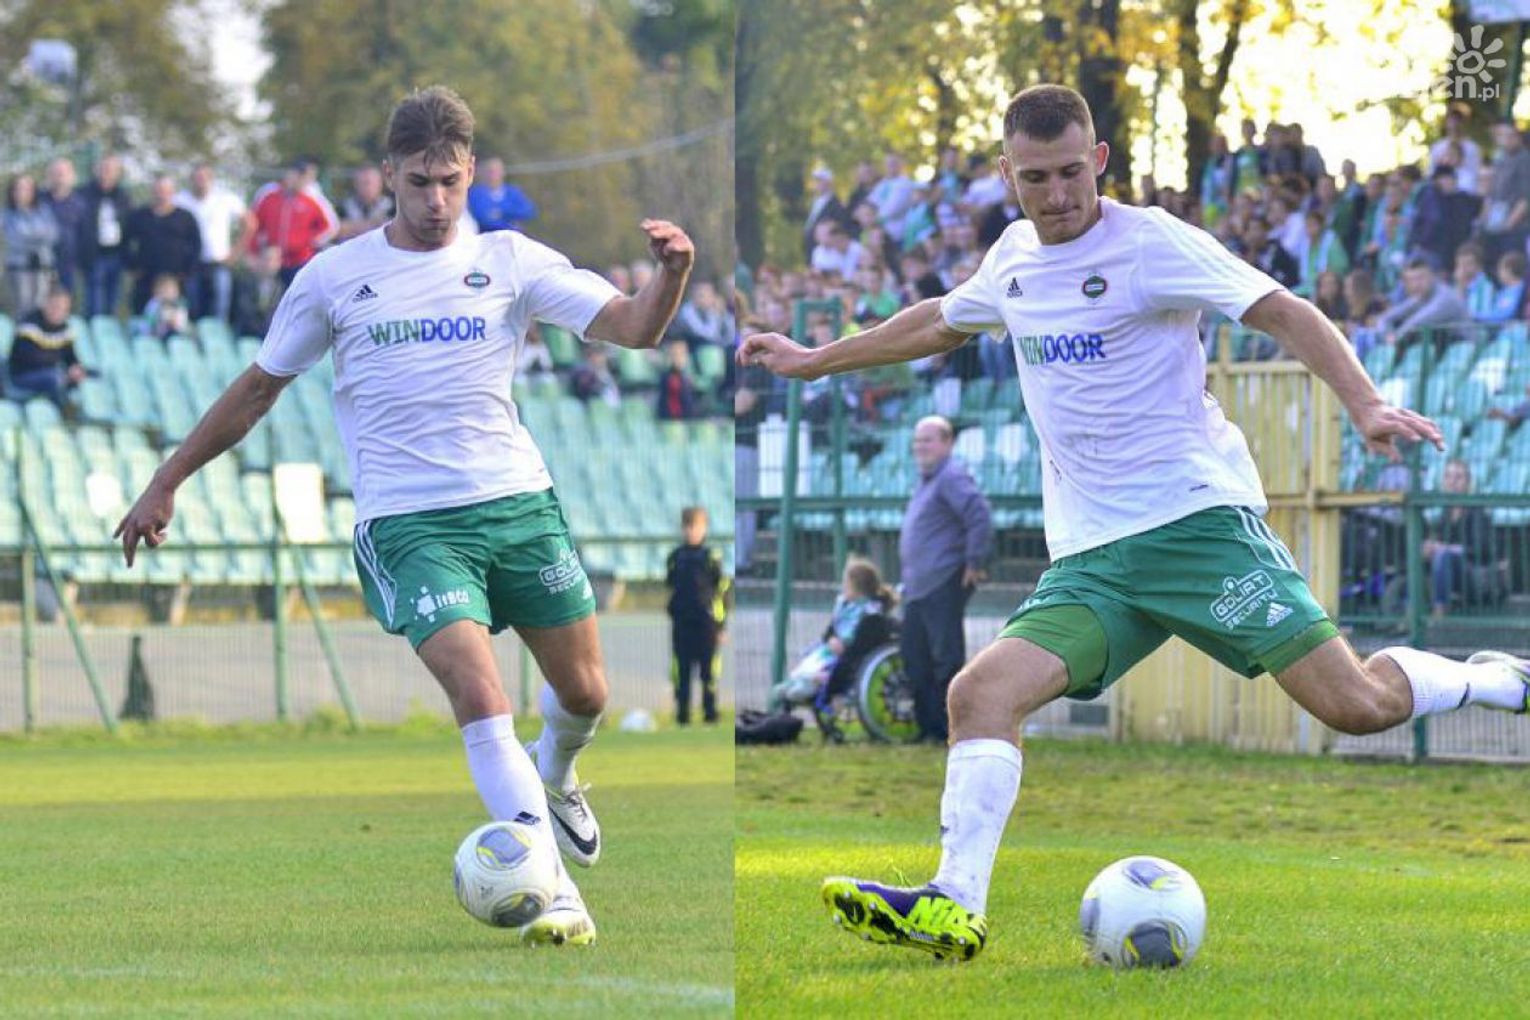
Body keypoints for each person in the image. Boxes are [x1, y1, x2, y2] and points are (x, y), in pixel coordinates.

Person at [738, 83, 1528, 963]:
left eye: (1072, 172)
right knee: (978, 695)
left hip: (1196, 528)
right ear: (1007, 174)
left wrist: (1366, 403)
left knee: (1358, 705)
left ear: (1100, 160)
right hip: (1092, 560)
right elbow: (941, 321)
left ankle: (1497, 679)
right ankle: (954, 904)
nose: (1058, 195)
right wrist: (816, 360)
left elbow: (1282, 309)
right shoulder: (1011, 259)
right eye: (1036, 178)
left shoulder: (1151, 243)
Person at [114, 85, 695, 948]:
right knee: (480, 693)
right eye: (419, 182)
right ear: (388, 174)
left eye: (450, 182)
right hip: (409, 522)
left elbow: (635, 328)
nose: (436, 201)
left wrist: (672, 274)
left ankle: (556, 772)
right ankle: (557, 891)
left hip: (518, 503)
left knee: (585, 693)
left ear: (471, 174)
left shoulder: (511, 259)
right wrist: (167, 480)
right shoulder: (334, 277)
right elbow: (260, 387)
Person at [898, 416, 993, 742]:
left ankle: (950, 730)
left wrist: (974, 560)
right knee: (915, 658)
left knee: (944, 660)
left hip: (942, 582)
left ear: (948, 443)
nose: (920, 446)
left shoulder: (951, 476)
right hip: (919, 587)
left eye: (928, 440)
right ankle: (929, 728)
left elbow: (979, 514)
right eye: (917, 440)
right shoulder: (927, 480)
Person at [774, 558, 897, 709]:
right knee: (813, 654)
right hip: (833, 650)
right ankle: (797, 682)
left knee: (835, 665)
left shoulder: (871, 615)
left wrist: (843, 648)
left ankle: (811, 687)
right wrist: (831, 639)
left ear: (856, 587)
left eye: (846, 583)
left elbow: (860, 647)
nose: (843, 586)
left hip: (851, 658)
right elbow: (829, 631)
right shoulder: (846, 606)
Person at [665, 506, 730, 725]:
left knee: (708, 671)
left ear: (704, 528)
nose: (692, 531)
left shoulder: (711, 557)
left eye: (696, 526)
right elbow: (671, 586)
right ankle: (682, 715)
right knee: (681, 670)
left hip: (706, 623)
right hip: (682, 623)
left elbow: (722, 592)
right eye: (688, 526)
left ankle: (710, 713)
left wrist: (721, 626)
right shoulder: (675, 557)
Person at [1423, 460, 1501, 619]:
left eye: (1458, 477)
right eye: (1448, 476)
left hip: (1474, 576)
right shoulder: (1445, 512)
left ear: (1468, 482)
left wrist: (1447, 549)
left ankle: (1440, 609)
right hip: (1450, 571)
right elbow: (1439, 541)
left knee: (1443, 555)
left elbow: (1481, 549)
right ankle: (1410, 608)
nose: (1452, 482)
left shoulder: (1477, 510)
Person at [175, 164, 251, 322]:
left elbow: (250, 223)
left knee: (220, 308)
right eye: (197, 178)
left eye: (204, 178)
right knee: (192, 307)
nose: (200, 182)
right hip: (192, 263)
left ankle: (218, 336)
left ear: (211, 180)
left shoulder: (225, 199)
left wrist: (236, 252)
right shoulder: (181, 200)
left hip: (219, 262)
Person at [248, 161, 338, 287]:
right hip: (271, 260)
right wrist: (254, 252)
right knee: (266, 295)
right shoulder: (269, 193)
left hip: (300, 261)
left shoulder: (313, 197)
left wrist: (306, 243)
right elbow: (253, 224)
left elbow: (331, 227)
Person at [123, 174, 202, 314]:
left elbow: (196, 245)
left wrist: (188, 270)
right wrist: (132, 267)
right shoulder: (139, 216)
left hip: (177, 280)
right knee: (143, 315)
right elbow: (125, 242)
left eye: (165, 191)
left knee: (176, 317)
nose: (161, 194)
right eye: (158, 190)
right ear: (152, 192)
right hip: (146, 279)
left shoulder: (185, 217)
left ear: (172, 192)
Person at [6, 285, 84, 409]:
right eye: (55, 306)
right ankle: (63, 411)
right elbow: (27, 359)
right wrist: (62, 371)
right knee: (55, 377)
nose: (59, 312)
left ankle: (75, 409)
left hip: (52, 374)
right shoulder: (29, 325)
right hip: (22, 377)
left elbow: (70, 356)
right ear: (45, 304)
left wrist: (74, 367)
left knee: (81, 376)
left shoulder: (65, 328)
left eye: (63, 309)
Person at [78, 154, 133, 317]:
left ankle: (108, 330)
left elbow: (129, 224)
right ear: (96, 170)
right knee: (94, 302)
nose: (106, 173)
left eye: (111, 169)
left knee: (112, 300)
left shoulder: (123, 196)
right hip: (94, 255)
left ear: (117, 173)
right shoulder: (84, 194)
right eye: (103, 168)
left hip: (116, 254)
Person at [3, 173, 59, 318]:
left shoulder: (44, 210)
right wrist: (37, 236)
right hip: (18, 268)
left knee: (41, 306)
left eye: (27, 188)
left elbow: (52, 235)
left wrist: (27, 236)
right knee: (23, 307)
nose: (23, 192)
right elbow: (14, 238)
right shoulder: (7, 214)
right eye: (19, 188)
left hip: (43, 266)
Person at [40, 158, 86, 298]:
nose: (59, 178)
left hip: (68, 265)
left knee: (65, 300)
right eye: (55, 173)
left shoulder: (80, 204)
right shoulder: (39, 200)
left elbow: (84, 235)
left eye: (63, 173)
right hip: (41, 264)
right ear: (49, 176)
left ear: (72, 176)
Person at [466, 156, 537, 233]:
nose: (494, 175)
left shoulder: (513, 192)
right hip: (487, 236)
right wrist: (510, 222)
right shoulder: (475, 194)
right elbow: (483, 218)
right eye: (490, 171)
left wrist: (501, 213)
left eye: (497, 171)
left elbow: (529, 211)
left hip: (514, 235)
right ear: (482, 173)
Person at [336, 165, 395, 242]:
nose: (367, 187)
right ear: (355, 184)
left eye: (369, 183)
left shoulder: (393, 208)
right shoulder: (343, 208)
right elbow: (338, 230)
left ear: (380, 183)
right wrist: (376, 224)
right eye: (362, 183)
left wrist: (353, 227)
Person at [803, 168, 849, 262]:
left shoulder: (836, 205)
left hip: (828, 253)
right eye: (816, 180)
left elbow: (839, 228)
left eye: (820, 180)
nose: (817, 183)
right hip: (812, 252)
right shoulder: (816, 202)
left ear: (829, 182)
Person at [137, 274, 191, 341]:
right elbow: (146, 325)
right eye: (166, 289)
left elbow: (181, 325)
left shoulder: (180, 304)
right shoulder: (154, 304)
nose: (171, 292)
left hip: (176, 337)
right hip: (154, 336)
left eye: (173, 289)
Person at [656, 338, 697, 420]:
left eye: (682, 354)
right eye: (675, 354)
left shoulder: (686, 380)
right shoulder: (666, 378)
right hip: (669, 418)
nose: (679, 358)